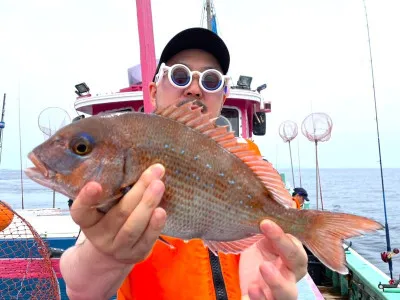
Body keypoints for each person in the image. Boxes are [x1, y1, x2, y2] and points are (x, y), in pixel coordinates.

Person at [60, 27, 308, 300]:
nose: (193, 89)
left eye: (211, 81)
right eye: (180, 76)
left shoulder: (249, 161)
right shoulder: (123, 157)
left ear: (223, 97)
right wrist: (106, 256)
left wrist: (262, 286)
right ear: (153, 91)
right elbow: (82, 289)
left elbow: (256, 251)